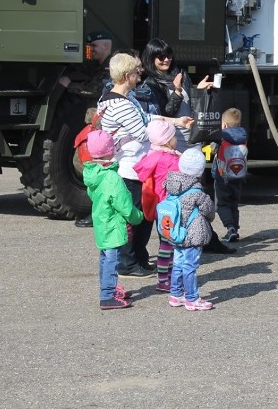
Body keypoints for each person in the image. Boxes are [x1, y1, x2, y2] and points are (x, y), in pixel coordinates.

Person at [97, 53, 193, 277]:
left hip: (136, 165)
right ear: (127, 75)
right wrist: (167, 135)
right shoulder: (121, 104)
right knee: (133, 217)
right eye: (137, 71)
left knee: (142, 216)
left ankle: (138, 258)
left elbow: (148, 118)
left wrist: (175, 121)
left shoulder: (120, 98)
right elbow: (143, 134)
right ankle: (128, 263)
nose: (140, 73)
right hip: (129, 167)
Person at [83, 129, 144, 310]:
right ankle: (107, 295)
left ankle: (108, 288)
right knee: (112, 259)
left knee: (105, 257)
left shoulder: (93, 174)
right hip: (113, 223)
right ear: (111, 151)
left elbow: (93, 194)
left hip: (102, 221)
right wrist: (137, 216)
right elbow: (123, 203)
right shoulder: (112, 177)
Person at [60, 29, 115, 228]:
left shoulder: (110, 67)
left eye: (94, 47)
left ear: (106, 46)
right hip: (97, 123)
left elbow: (96, 89)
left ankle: (100, 209)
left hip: (103, 123)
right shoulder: (102, 66)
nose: (91, 50)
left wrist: (69, 86)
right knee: (87, 164)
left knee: (94, 165)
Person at [139, 38, 213, 152]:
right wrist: (177, 92)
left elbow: (192, 105)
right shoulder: (150, 84)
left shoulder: (181, 73)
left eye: (169, 55)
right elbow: (164, 114)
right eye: (161, 57)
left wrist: (198, 90)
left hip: (193, 135)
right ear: (151, 58)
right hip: (171, 140)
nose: (166, 60)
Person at [133, 120, 182, 292]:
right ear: (167, 141)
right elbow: (181, 179)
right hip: (171, 205)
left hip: (157, 205)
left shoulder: (151, 155)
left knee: (165, 245)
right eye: (173, 136)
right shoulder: (170, 159)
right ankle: (168, 278)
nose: (176, 139)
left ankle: (163, 278)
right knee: (171, 244)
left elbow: (140, 170)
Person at [166, 148, 216, 311]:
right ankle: (192, 298)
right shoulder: (197, 192)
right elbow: (209, 211)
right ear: (200, 171)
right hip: (193, 234)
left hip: (176, 232)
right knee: (190, 266)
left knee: (178, 263)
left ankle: (175, 294)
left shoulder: (172, 186)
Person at [213, 108, 249, 243]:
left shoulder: (221, 138)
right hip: (238, 177)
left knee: (222, 204)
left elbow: (213, 150)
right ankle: (235, 228)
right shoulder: (243, 138)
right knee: (234, 204)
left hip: (223, 177)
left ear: (225, 125)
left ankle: (230, 228)